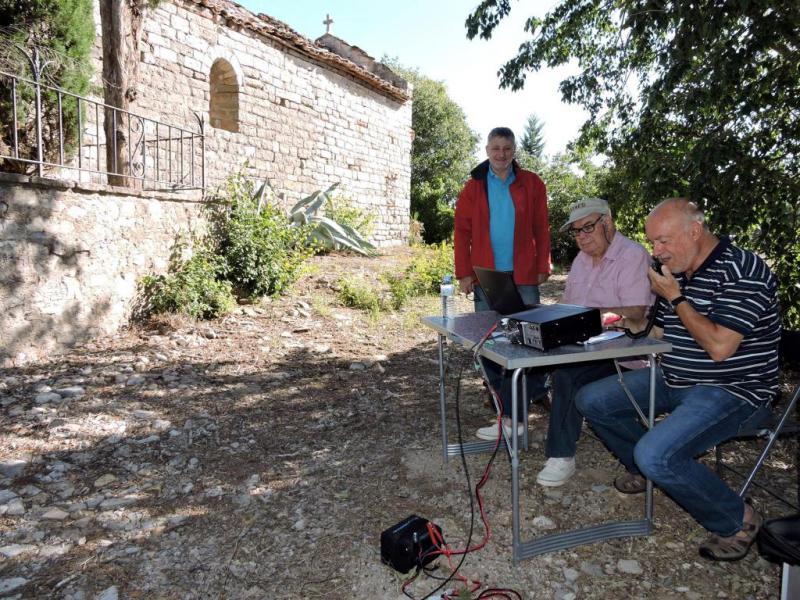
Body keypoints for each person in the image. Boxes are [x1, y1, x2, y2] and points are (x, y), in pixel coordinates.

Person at [575, 197, 781, 561]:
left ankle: (739, 519)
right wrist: (625, 322)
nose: (656, 251)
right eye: (653, 242)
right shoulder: (680, 271)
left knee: (655, 453)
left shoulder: (743, 269)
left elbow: (719, 347)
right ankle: (646, 469)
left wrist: (675, 297)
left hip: (734, 390)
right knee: (591, 400)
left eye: (663, 241)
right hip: (675, 377)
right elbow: (657, 332)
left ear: (695, 231)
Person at [534, 197, 653, 486]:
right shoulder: (581, 260)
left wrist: (592, 318)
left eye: (588, 227)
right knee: (524, 353)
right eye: (576, 231)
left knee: (568, 374)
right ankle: (512, 422)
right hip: (583, 346)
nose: (582, 237)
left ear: (607, 223)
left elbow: (637, 312)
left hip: (624, 355)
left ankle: (561, 455)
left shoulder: (632, 255)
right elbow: (567, 307)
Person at [454, 127, 552, 438]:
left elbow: (541, 228)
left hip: (523, 273)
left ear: (514, 151)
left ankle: (531, 393)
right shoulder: (474, 186)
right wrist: (464, 273)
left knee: (530, 340)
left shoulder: (532, 183)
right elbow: (462, 232)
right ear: (487, 150)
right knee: (489, 342)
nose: (501, 154)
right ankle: (504, 402)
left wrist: (543, 264)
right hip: (487, 276)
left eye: (507, 148)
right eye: (496, 148)